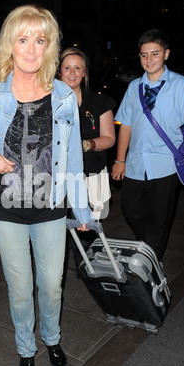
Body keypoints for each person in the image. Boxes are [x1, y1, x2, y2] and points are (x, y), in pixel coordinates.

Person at [0, 5, 94, 366]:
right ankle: (26, 350)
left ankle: (51, 339)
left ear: (50, 47)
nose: (32, 49)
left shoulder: (64, 95)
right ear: (10, 43)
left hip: (50, 205)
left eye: (40, 40)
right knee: (20, 288)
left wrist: (81, 209)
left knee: (51, 284)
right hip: (5, 208)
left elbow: (74, 159)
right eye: (23, 39)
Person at [111, 29, 184, 260]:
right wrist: (120, 161)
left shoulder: (181, 85)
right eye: (144, 55)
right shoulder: (134, 88)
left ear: (166, 54)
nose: (149, 60)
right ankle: (149, 247)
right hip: (135, 164)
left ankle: (151, 263)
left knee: (160, 218)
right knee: (130, 210)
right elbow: (126, 126)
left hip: (166, 164)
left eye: (155, 54)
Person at [58, 47, 116, 265]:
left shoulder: (99, 102)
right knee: (58, 230)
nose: (72, 73)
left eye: (77, 68)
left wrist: (84, 145)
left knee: (86, 234)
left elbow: (109, 138)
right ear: (59, 72)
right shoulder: (49, 102)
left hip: (91, 176)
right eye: (67, 68)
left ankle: (87, 269)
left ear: (85, 73)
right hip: (58, 179)